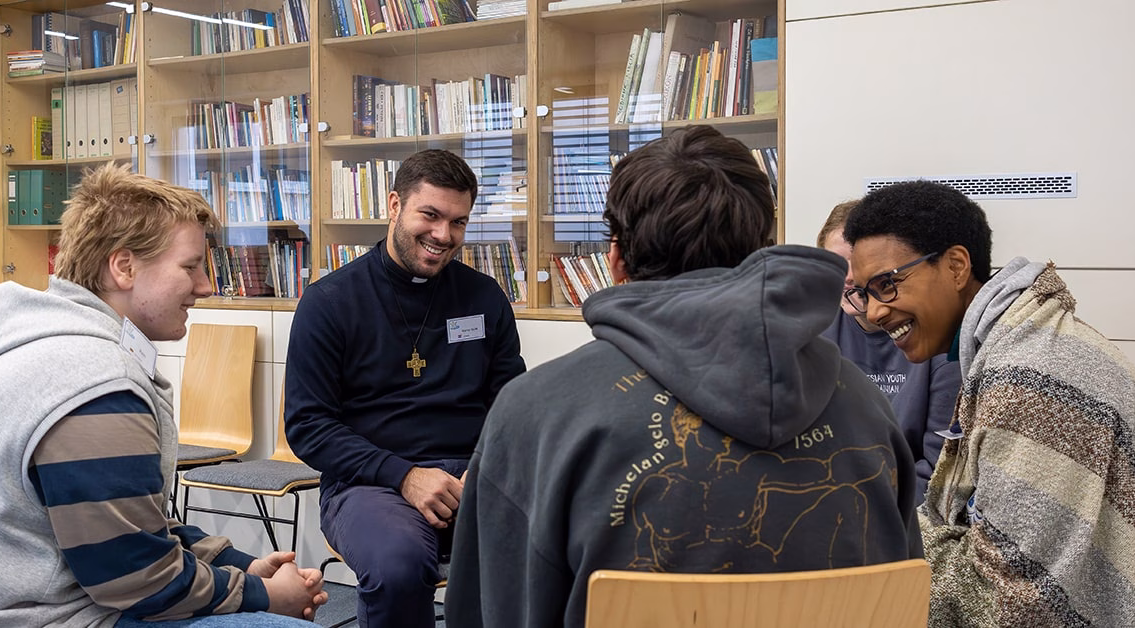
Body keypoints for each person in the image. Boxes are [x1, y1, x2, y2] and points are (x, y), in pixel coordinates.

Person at [445, 125, 922, 628]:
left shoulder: (533, 415)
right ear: (761, 249)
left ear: (616, 259)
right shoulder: (867, 407)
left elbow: (490, 609)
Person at [0, 162, 327, 627]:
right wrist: (263, 597)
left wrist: (237, 566)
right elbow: (136, 578)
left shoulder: (66, 348)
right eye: (189, 267)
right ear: (124, 267)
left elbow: (131, 522)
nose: (205, 286)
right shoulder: (91, 380)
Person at [843, 180, 1135, 627]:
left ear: (957, 267)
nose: (874, 312)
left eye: (887, 284)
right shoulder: (1008, 346)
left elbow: (1015, 597)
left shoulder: (1032, 375)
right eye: (864, 293)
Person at [284, 149, 526, 628]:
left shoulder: (484, 297)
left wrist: (486, 470)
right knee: (398, 566)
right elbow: (308, 427)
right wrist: (405, 476)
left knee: (558, 538)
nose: (443, 235)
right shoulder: (328, 303)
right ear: (394, 205)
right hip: (370, 483)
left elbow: (512, 406)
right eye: (430, 215)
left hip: (473, 478)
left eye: (458, 222)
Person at [817, 200, 960, 502]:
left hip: (906, 511)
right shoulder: (813, 333)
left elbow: (940, 469)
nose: (849, 278)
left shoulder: (938, 340)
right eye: (835, 264)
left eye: (857, 265)